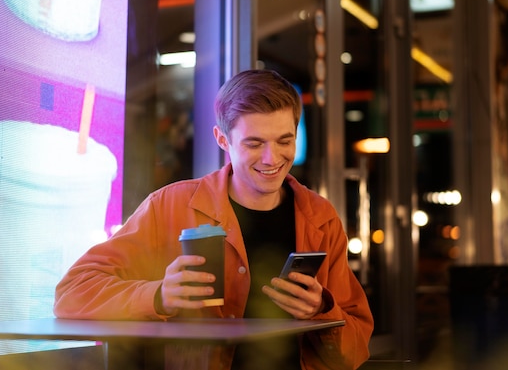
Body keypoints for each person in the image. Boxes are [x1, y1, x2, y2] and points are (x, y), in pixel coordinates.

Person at [54, 69, 374, 370]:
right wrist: (158, 295)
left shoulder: (321, 217)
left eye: (284, 141)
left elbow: (356, 349)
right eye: (254, 143)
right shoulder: (169, 206)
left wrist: (322, 310)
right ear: (222, 139)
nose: (272, 157)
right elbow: (71, 292)